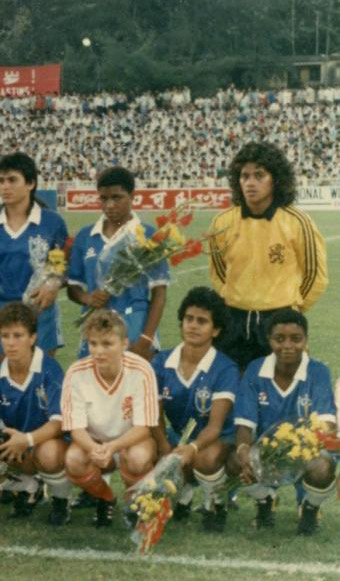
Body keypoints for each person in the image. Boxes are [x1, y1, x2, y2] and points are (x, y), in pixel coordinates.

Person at [208, 142, 328, 368]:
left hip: (280, 322)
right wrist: (239, 297)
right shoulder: (222, 222)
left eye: (259, 175)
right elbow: (220, 272)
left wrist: (290, 306)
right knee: (234, 393)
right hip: (234, 321)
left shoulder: (298, 222)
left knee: (284, 393)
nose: (250, 183)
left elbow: (315, 276)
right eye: (244, 176)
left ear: (276, 179)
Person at [233, 308, 336, 535]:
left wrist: (299, 446)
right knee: (233, 459)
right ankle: (265, 501)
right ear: (269, 340)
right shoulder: (255, 369)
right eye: (279, 339)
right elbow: (244, 423)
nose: (287, 346)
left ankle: (309, 509)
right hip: (266, 451)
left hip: (307, 450)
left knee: (323, 466)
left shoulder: (318, 371)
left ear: (306, 341)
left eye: (296, 339)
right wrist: (243, 451)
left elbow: (328, 424)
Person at [149, 287, 238, 532]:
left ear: (216, 329)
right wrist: (163, 445)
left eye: (202, 321)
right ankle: (183, 496)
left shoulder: (224, 368)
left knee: (204, 458)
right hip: (180, 435)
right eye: (189, 319)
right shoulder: (160, 362)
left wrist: (192, 448)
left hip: (218, 438)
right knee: (150, 451)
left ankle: (216, 503)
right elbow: (155, 415)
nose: (193, 326)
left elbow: (215, 426)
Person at [61, 309, 158, 527]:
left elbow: (144, 427)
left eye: (107, 344)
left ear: (124, 343)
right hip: (93, 441)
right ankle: (105, 498)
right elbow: (76, 429)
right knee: (73, 460)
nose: (98, 351)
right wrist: (95, 449)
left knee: (139, 458)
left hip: (130, 440)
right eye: (93, 344)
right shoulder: (76, 373)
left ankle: (136, 502)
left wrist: (112, 447)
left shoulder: (142, 370)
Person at [0, 302, 70, 526]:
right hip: (17, 443)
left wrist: (26, 440)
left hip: (47, 440)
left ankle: (61, 500)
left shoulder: (50, 369)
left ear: (33, 337)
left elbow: (59, 422)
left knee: (48, 454)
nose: (10, 342)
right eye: (5, 336)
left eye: (18, 335)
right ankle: (28, 487)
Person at [0, 152, 67, 365]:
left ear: (30, 183)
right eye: (1, 181)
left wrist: (53, 285)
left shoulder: (52, 222)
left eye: (12, 180)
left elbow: (60, 268)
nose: (5, 187)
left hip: (39, 313)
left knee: (39, 379)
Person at [67, 166, 167, 361]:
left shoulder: (148, 235)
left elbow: (159, 293)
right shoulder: (86, 236)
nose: (110, 205)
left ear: (132, 196)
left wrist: (146, 339)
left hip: (135, 327)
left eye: (117, 197)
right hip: (95, 328)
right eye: (103, 198)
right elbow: (73, 286)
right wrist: (87, 298)